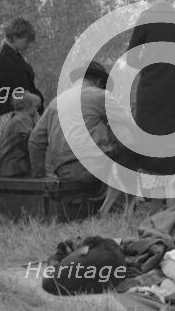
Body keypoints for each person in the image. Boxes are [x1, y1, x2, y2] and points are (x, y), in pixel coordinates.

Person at [28, 61, 136, 213]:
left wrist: (40, 176)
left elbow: (34, 141)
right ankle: (130, 203)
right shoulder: (100, 96)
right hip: (93, 170)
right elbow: (132, 127)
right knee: (127, 145)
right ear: (98, 81)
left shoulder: (56, 102)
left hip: (64, 172)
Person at [126, 0, 175, 179]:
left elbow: (131, 57)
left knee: (149, 142)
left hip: (151, 90)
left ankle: (153, 195)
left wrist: (147, 62)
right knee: (173, 142)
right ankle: (172, 192)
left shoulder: (147, 16)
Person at [0, 18, 44, 122]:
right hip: (13, 115)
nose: (28, 45)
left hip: (21, 113)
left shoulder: (15, 57)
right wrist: (35, 98)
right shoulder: (5, 58)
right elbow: (17, 90)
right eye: (26, 41)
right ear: (15, 37)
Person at [0, 91, 41, 177]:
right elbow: (33, 144)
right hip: (14, 168)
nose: (36, 110)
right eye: (36, 107)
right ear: (27, 106)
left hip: (4, 168)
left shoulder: (15, 119)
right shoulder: (23, 120)